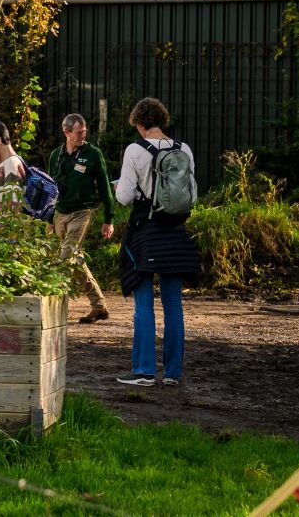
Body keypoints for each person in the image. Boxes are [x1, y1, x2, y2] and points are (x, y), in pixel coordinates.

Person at [113, 97, 199, 387]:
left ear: (139, 123)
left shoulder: (135, 150)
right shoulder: (183, 149)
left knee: (144, 305)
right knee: (174, 305)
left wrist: (125, 190)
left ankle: (144, 372)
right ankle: (173, 374)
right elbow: (192, 193)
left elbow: (124, 196)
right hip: (176, 233)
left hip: (146, 234)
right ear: (162, 120)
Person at [48, 113, 117, 324]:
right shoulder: (55, 155)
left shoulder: (93, 154)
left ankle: (54, 306)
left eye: (84, 132)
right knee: (75, 260)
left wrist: (109, 218)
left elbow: (105, 187)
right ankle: (99, 306)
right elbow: (51, 189)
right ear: (67, 132)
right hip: (60, 213)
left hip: (82, 212)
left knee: (65, 256)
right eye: (79, 132)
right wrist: (50, 218)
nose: (82, 136)